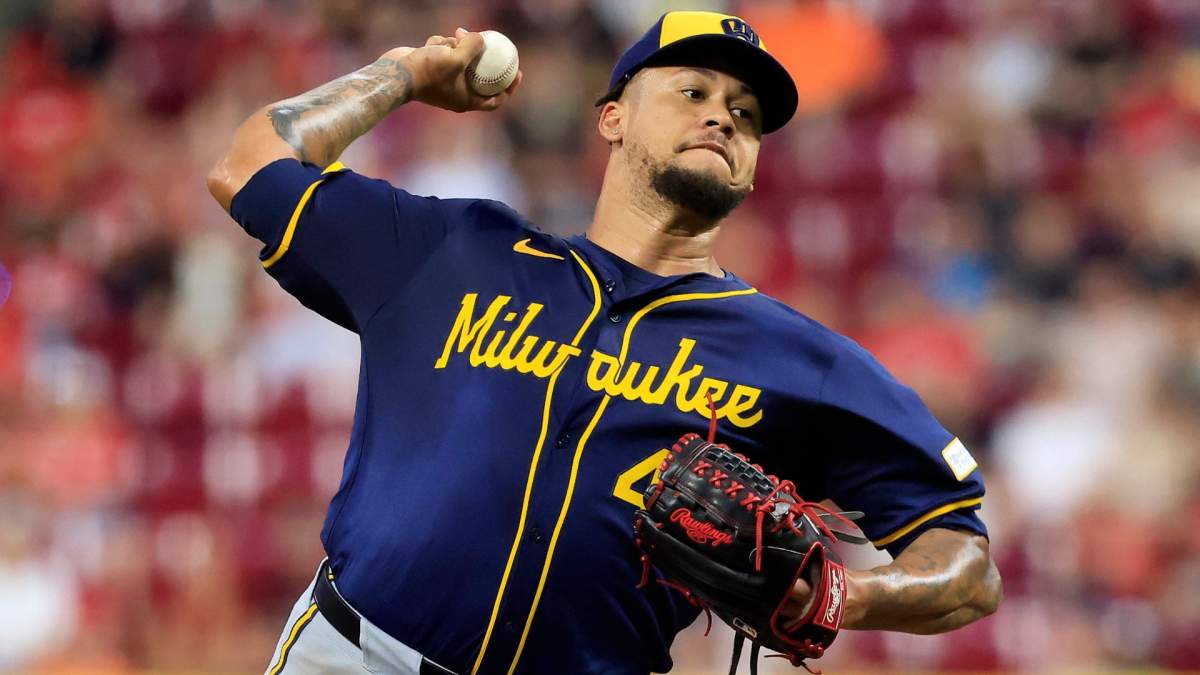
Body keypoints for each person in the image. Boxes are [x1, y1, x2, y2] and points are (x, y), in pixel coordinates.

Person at [207, 11, 1001, 675]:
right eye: (693, 91)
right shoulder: (452, 250)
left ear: (754, 167)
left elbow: (967, 565)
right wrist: (406, 73)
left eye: (747, 114)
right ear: (612, 117)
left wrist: (847, 595)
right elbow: (251, 162)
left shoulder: (801, 362)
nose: (723, 117)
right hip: (356, 655)